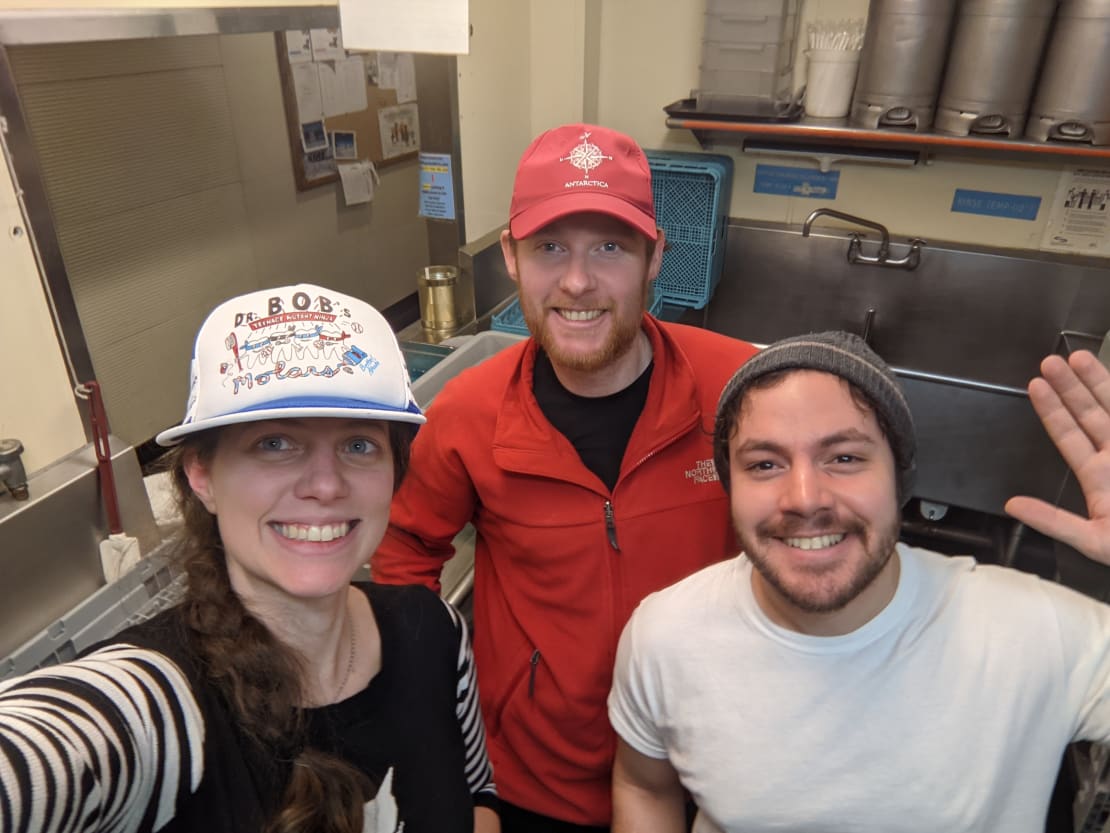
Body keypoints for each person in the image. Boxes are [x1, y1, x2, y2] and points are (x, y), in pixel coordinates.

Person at [0, 283, 499, 833]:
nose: (326, 485)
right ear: (201, 476)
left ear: (394, 475)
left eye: (359, 444)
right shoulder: (155, 709)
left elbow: (477, 798)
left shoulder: (434, 631)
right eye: (275, 443)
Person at [371, 123, 759, 830]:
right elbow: (403, 562)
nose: (577, 281)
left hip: (708, 769)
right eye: (551, 247)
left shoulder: (739, 387)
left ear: (653, 258)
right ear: (513, 259)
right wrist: (439, 746)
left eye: (609, 246)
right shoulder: (465, 416)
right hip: (529, 785)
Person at [608, 331, 1110, 833]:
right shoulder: (667, 636)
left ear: (899, 477)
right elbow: (644, 787)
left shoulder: (1035, 634)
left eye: (844, 457)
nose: (805, 498)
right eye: (764, 464)